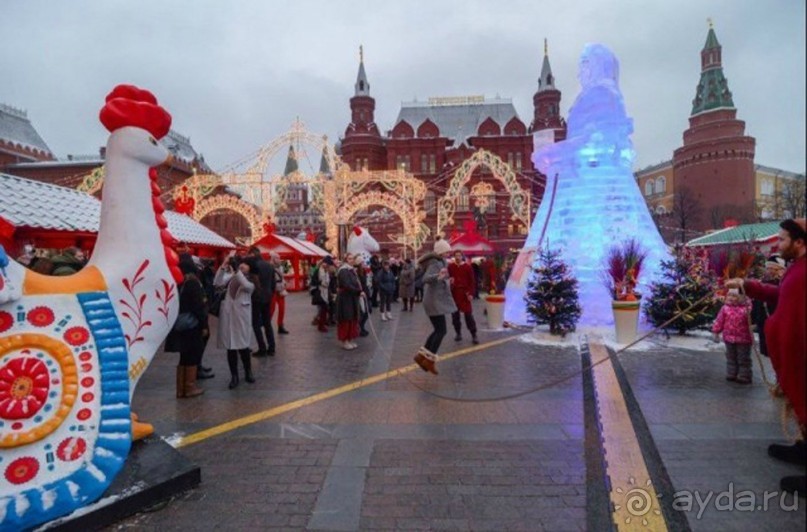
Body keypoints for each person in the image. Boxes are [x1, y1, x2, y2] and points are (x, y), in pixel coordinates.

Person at [726, 218, 806, 496]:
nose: (777, 244)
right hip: (793, 355)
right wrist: (746, 285)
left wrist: (773, 329)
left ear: (799, 243)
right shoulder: (797, 268)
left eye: (783, 239)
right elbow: (781, 296)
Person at [164, 256, 209, 398]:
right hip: (192, 324)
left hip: (180, 322)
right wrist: (204, 324)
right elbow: (198, 307)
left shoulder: (179, 282)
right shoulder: (193, 283)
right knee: (192, 354)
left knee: (184, 355)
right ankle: (189, 387)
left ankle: (180, 389)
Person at [414, 237, 457, 375]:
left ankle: (422, 356)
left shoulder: (440, 261)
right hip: (434, 301)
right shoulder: (435, 263)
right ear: (440, 252)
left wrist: (446, 279)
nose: (448, 254)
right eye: (446, 252)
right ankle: (429, 360)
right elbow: (426, 279)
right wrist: (438, 277)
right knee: (441, 330)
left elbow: (439, 278)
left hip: (435, 300)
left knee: (438, 330)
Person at [214, 257, 256, 389]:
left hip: (240, 316)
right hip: (228, 315)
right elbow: (217, 282)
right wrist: (223, 265)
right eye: (241, 264)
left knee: (243, 346)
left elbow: (248, 287)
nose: (242, 266)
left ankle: (248, 371)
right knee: (230, 347)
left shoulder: (250, 279)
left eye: (245, 264)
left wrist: (237, 271)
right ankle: (234, 376)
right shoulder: (230, 276)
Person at [711, 289, 753, 384]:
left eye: (734, 296)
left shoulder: (747, 308)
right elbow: (719, 320)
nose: (731, 298)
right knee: (731, 357)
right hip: (729, 338)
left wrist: (749, 315)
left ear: (741, 297)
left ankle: (744, 375)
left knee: (743, 358)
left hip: (743, 339)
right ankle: (732, 373)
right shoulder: (725, 308)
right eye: (729, 295)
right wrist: (716, 331)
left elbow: (751, 319)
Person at [751, 255, 786, 357]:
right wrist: (753, 318)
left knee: (779, 352)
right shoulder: (762, 283)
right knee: (768, 350)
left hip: (778, 322)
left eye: (773, 268)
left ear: (780, 270)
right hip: (763, 321)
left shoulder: (783, 283)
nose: (769, 271)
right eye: (768, 268)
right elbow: (757, 302)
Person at [247, 246, 276, 357]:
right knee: (267, 323)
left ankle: (262, 348)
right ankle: (272, 347)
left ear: (252, 254)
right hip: (267, 297)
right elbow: (273, 283)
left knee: (255, 324)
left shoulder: (253, 266)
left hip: (256, 297)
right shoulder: (269, 265)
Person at [449, 250, 479, 345]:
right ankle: (458, 333)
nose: (458, 257)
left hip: (464, 294)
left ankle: (474, 334)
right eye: (456, 255)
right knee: (455, 316)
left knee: (468, 316)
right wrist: (449, 282)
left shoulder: (467, 267)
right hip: (454, 294)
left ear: (462, 256)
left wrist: (471, 293)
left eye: (459, 255)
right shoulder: (451, 267)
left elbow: (472, 281)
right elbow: (447, 278)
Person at [335, 253, 362, 350]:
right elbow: (347, 284)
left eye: (352, 259)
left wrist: (359, 291)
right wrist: (358, 291)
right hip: (345, 298)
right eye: (349, 259)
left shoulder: (351, 270)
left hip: (352, 297)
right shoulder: (343, 271)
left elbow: (355, 283)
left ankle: (350, 338)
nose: (351, 260)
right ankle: (345, 340)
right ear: (346, 260)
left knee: (352, 318)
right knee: (346, 319)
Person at [269, 252, 289, 334]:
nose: (279, 259)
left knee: (282, 309)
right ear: (273, 259)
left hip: (280, 289)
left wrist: (284, 283)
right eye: (277, 258)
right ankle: (267, 324)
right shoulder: (269, 267)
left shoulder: (281, 267)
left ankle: (280, 325)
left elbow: (282, 277)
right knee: (271, 309)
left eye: (279, 258)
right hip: (273, 290)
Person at [312, 256, 334, 332]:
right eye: (326, 263)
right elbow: (313, 281)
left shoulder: (327, 271)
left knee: (324, 309)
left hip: (326, 291)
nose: (326, 265)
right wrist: (321, 283)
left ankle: (322, 324)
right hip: (320, 292)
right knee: (323, 309)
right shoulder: (318, 270)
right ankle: (321, 325)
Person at [354, 255, 371, 337]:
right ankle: (360, 327)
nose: (364, 263)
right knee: (363, 311)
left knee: (368, 310)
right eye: (362, 262)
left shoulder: (363, 271)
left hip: (365, 293)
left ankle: (361, 326)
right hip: (360, 294)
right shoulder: (356, 272)